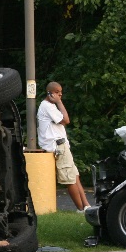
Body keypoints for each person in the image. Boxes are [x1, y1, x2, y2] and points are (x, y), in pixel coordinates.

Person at [37, 81, 91, 212]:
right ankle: (80, 209)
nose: (60, 95)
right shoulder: (47, 106)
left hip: (63, 145)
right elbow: (66, 120)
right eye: (57, 92)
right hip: (58, 146)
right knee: (69, 179)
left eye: (61, 92)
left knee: (75, 176)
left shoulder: (51, 106)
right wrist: (59, 102)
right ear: (49, 93)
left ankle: (87, 205)